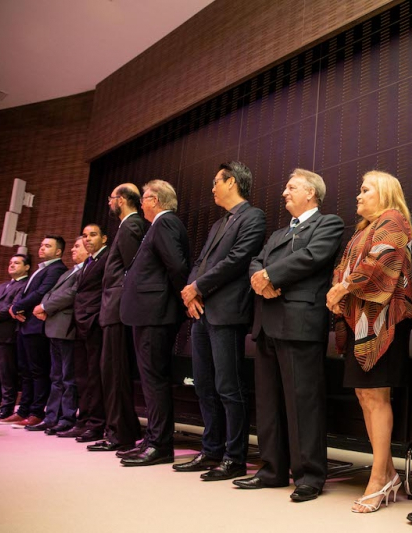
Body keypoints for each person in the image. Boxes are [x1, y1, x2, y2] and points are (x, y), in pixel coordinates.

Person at [236, 169, 344, 502]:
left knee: (303, 403)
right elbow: (255, 261)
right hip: (267, 322)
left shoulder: (328, 224)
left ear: (311, 192)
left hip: (299, 322)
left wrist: (270, 275)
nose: (284, 192)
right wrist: (259, 278)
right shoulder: (279, 232)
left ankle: (309, 475)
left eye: (291, 187)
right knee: (268, 403)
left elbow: (312, 257)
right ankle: (272, 470)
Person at [327, 170, 412, 513]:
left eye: (366, 190)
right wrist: (338, 290)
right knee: (366, 396)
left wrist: (342, 288)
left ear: (385, 193)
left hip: (383, 321)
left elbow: (380, 263)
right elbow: (344, 268)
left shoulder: (393, 220)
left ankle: (378, 479)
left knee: (377, 397)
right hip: (360, 321)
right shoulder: (362, 229)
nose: (358, 195)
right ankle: (388, 473)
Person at [174, 161, 265, 480]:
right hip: (202, 311)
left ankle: (234, 457)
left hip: (227, 312)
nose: (212, 188)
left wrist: (198, 287)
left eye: (216, 181)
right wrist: (191, 292)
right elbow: (200, 261)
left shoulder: (253, 216)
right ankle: (210, 450)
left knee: (229, 386)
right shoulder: (218, 223)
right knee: (203, 385)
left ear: (232, 182)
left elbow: (237, 260)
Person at [119, 179, 190, 466]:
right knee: (150, 378)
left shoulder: (166, 223)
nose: (141, 204)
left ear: (156, 200)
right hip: (150, 312)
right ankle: (153, 439)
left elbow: (177, 266)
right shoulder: (159, 225)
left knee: (154, 378)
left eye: (144, 198)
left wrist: (186, 298)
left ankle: (160, 444)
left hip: (156, 313)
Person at [89, 184, 147, 453]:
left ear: (121, 200)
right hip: (115, 308)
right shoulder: (128, 226)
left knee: (114, 373)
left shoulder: (131, 225)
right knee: (112, 372)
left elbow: (133, 270)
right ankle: (125, 429)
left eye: (111, 198)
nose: (109, 203)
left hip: (119, 308)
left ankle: (119, 434)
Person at [28, 237, 90, 434]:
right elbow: (50, 293)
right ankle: (51, 417)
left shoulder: (86, 270)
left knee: (68, 377)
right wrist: (44, 305)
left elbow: (71, 294)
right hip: (54, 326)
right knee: (55, 376)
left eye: (77, 246)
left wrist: (45, 307)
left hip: (67, 327)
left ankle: (67, 417)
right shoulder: (69, 271)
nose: (72, 250)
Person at [4, 236, 68, 427]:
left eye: (47, 246)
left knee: (38, 370)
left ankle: (36, 411)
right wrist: (16, 306)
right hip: (25, 324)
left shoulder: (57, 269)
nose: (42, 248)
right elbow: (25, 293)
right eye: (41, 245)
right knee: (25, 370)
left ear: (58, 251)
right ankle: (23, 409)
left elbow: (41, 293)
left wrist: (17, 307)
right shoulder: (41, 268)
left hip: (37, 326)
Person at [57, 224, 110, 443]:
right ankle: (83, 420)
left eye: (93, 235)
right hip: (79, 323)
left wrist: (95, 317)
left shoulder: (106, 258)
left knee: (95, 377)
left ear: (104, 238)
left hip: (94, 323)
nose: (87, 239)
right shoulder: (88, 262)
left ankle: (96, 424)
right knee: (81, 376)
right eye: (85, 236)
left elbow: (105, 291)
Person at [0, 255, 30, 421]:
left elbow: (11, 309)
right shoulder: (2, 285)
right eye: (10, 262)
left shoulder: (24, 285)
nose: (11, 265)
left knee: (6, 375)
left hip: (6, 335)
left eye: (16, 263)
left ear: (26, 267)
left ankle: (6, 408)